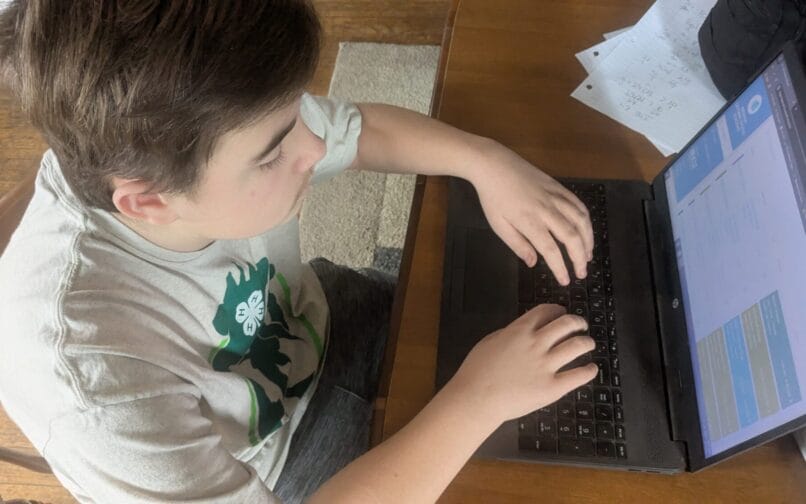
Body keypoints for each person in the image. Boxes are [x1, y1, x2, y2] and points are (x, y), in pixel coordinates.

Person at [0, 1, 597, 502]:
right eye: (272, 153)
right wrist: (475, 402)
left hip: (325, 320)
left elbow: (361, 131)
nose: (314, 145)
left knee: (559, 343)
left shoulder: (193, 123)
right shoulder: (93, 382)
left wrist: (486, 161)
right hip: (284, 463)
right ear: (148, 202)